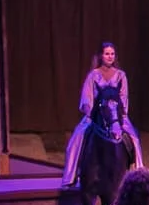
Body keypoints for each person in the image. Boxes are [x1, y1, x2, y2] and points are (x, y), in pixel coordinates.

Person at [61, 41, 143, 188]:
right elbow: (87, 97)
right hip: (96, 115)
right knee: (76, 139)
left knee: (134, 139)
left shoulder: (121, 76)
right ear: (101, 56)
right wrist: (90, 111)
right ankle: (72, 176)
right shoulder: (93, 76)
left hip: (117, 115)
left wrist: (119, 113)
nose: (110, 56)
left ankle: (136, 175)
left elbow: (124, 97)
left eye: (112, 54)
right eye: (107, 54)